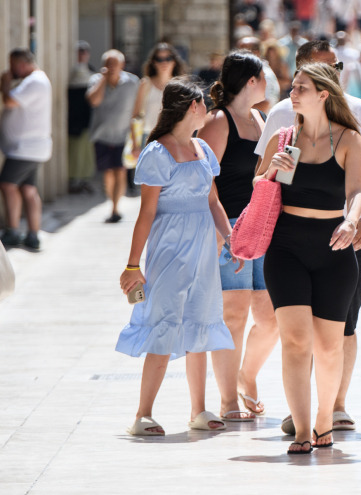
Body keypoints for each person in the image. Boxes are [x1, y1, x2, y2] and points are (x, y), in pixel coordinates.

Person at [256, 40, 361, 434]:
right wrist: (269, 171)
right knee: (295, 340)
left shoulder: (352, 129)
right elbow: (258, 184)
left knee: (334, 340)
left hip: (337, 242)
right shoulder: (283, 130)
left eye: (300, 88)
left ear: (323, 93)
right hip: (287, 244)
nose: (291, 93)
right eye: (294, 85)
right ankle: (301, 426)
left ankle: (328, 415)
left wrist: (358, 221)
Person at [117, 77, 239, 436]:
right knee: (164, 324)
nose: (208, 109)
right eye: (203, 103)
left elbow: (213, 201)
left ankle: (199, 409)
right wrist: (132, 264)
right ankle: (143, 414)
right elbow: (147, 214)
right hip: (169, 248)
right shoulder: (157, 152)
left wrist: (231, 240)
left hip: (203, 247)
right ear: (191, 107)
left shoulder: (203, 149)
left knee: (200, 322)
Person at [197, 50, 275, 422]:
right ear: (251, 82)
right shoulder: (218, 122)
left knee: (272, 316)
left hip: (262, 226)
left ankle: (246, 377)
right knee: (234, 315)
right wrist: (222, 232)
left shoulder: (261, 119)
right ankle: (228, 399)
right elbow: (205, 181)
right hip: (229, 225)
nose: (269, 83)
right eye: (264, 77)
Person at [0, 48, 52, 250]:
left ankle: (13, 231)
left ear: (21, 64)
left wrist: (5, 84)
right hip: (31, 147)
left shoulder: (34, 81)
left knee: (7, 184)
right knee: (28, 190)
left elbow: (10, 101)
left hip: (25, 148)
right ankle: (32, 234)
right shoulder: (36, 80)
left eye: (13, 65)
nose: (11, 69)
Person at [86, 50, 140, 224]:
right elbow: (93, 101)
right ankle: (112, 202)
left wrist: (135, 139)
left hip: (123, 136)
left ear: (122, 65)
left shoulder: (133, 83)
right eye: (108, 64)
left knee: (120, 170)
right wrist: (103, 79)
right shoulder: (95, 81)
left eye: (114, 64)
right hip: (101, 135)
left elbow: (136, 111)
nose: (111, 68)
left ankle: (116, 208)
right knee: (108, 172)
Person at [133, 43, 187, 164]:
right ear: (153, 62)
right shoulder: (145, 84)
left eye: (168, 58)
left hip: (174, 137)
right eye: (159, 59)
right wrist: (134, 144)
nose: (164, 62)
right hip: (148, 138)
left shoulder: (181, 85)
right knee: (149, 179)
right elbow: (135, 116)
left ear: (174, 61)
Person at [68, 41, 96, 195]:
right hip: (74, 119)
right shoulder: (71, 70)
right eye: (80, 51)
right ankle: (74, 180)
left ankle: (84, 180)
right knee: (75, 151)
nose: (82, 54)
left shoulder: (91, 71)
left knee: (86, 151)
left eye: (85, 51)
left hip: (87, 119)